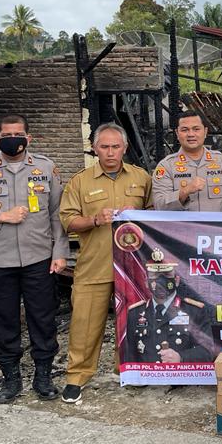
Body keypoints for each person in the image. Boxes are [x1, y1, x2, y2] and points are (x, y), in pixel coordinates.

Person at [0, 114, 69, 404]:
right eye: (7, 134)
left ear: (29, 138)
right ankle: (11, 378)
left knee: (43, 320)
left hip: (38, 259)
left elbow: (58, 214)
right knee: (4, 321)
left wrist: (60, 252)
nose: (13, 138)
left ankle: (43, 376)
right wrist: (0, 216)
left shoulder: (45, 168)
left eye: (19, 133)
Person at [59, 122, 153, 404]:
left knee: (135, 321)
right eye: (104, 147)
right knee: (84, 323)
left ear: (124, 148)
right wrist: (94, 219)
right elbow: (67, 220)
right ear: (95, 148)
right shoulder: (80, 181)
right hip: (94, 264)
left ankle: (129, 371)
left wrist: (141, 215)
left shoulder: (141, 178)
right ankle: (77, 376)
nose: (110, 152)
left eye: (116, 146)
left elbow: (155, 215)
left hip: (133, 265)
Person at [122, 253, 211, 364]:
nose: (161, 281)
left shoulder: (194, 311)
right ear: (146, 282)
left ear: (177, 280)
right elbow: (130, 355)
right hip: (148, 379)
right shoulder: (135, 313)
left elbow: (207, 352)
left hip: (180, 379)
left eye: (167, 275)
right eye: (155, 275)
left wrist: (181, 357)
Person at [152, 110, 222, 212]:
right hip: (180, 228)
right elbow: (159, 206)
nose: (191, 134)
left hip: (216, 228)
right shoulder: (166, 166)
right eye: (185, 130)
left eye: (196, 129)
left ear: (205, 132)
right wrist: (185, 191)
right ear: (177, 133)